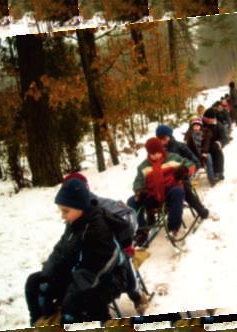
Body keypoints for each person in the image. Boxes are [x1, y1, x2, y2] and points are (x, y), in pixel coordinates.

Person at [25, 178, 129, 326]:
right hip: (81, 273)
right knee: (35, 282)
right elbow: (61, 250)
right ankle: (37, 321)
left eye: (65, 211)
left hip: (110, 278)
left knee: (84, 301)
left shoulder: (97, 229)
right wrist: (48, 275)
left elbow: (95, 270)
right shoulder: (74, 222)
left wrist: (72, 295)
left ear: (80, 207)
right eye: (61, 211)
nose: (62, 216)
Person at [61, 172, 149, 316]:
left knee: (121, 257)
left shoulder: (102, 204)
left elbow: (129, 214)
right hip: (90, 255)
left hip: (113, 248)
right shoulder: (71, 212)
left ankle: (137, 295)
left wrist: (118, 238)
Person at [127, 137, 196, 243]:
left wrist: (184, 169)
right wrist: (138, 190)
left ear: (161, 150)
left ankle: (173, 226)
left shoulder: (173, 158)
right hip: (153, 195)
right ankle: (142, 229)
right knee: (132, 201)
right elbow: (138, 181)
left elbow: (190, 164)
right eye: (152, 153)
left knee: (177, 192)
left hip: (169, 191)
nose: (155, 156)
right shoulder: (143, 166)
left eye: (157, 152)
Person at [155, 125, 209, 219]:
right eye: (159, 138)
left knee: (186, 190)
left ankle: (202, 211)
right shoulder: (155, 150)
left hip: (180, 176)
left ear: (169, 136)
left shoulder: (180, 146)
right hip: (164, 179)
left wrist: (186, 172)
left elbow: (195, 162)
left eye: (164, 137)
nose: (162, 140)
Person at [184, 118, 218, 187]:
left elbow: (207, 143)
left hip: (203, 153)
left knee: (208, 157)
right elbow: (188, 147)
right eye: (194, 126)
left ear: (201, 126)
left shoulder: (205, 134)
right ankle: (193, 184)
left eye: (198, 126)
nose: (196, 127)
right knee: (193, 166)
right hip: (194, 155)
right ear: (192, 127)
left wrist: (204, 152)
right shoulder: (189, 135)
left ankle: (211, 178)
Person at [202, 108, 226, 181]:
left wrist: (219, 143)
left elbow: (224, 138)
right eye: (205, 118)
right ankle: (210, 171)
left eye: (207, 119)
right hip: (204, 144)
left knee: (218, 153)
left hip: (214, 145)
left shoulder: (219, 126)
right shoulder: (202, 123)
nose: (206, 120)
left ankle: (219, 172)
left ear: (212, 119)